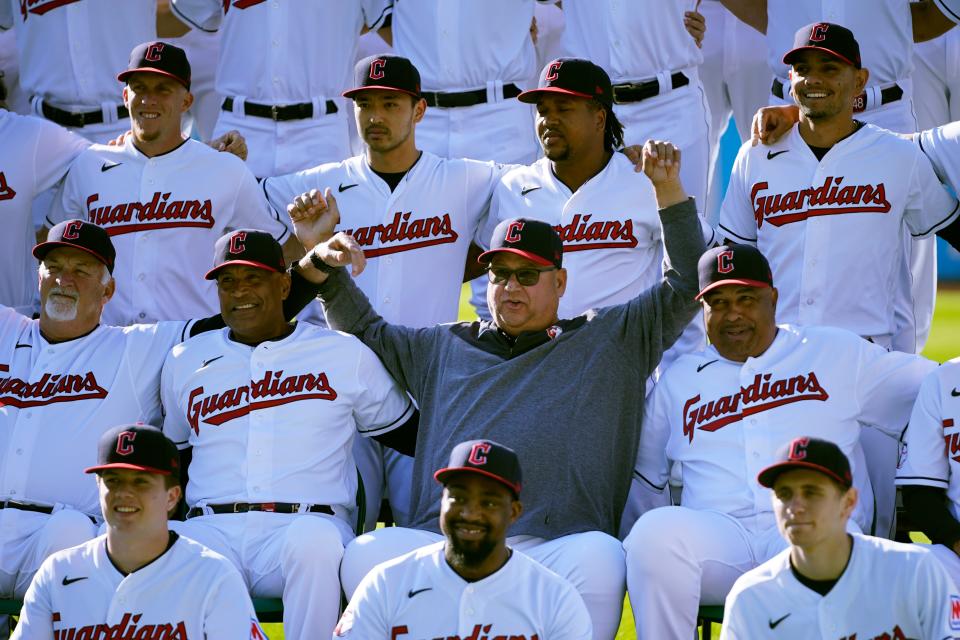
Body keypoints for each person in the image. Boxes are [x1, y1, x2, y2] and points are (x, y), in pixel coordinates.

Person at [286, 137, 706, 640]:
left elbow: (687, 284)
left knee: (600, 556)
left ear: (561, 283)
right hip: (443, 546)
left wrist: (670, 194)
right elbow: (368, 333)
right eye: (500, 274)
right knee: (365, 554)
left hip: (556, 546)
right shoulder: (444, 346)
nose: (511, 286)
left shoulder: (610, 339)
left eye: (528, 275)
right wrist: (319, 254)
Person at [0, 218, 319, 612]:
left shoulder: (138, 348)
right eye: (54, 267)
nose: (64, 279)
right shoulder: (5, 330)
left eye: (81, 270)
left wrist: (314, 266)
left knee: (72, 534)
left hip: (62, 533)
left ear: (108, 289)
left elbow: (243, 314)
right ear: (38, 278)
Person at [716, 23, 959, 539]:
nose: (814, 79)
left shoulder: (897, 157)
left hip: (865, 364)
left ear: (860, 80)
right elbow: (730, 257)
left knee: (874, 529)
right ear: (788, 78)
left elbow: (951, 226)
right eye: (802, 68)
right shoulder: (755, 156)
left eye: (830, 68)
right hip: (777, 365)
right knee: (782, 525)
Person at [623, 243, 935, 640]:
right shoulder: (680, 379)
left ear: (773, 297)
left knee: (830, 546)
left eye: (745, 298)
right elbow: (645, 481)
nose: (732, 314)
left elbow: (934, 385)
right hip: (720, 540)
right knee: (652, 535)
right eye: (717, 303)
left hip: (814, 526)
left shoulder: (832, 351)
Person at [262, 54, 504, 530]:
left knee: (429, 536)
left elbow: (543, 188)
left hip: (426, 388)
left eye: (390, 104)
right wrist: (301, 241)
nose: (375, 116)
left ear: (418, 110)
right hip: (341, 390)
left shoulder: (464, 179)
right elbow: (240, 223)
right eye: (365, 104)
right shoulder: (316, 186)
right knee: (337, 532)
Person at [160, 229, 418, 640]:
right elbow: (177, 456)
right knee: (167, 546)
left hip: (304, 526)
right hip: (211, 529)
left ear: (284, 284)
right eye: (228, 281)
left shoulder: (341, 352)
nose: (239, 292)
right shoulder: (184, 359)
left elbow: (408, 435)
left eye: (253, 279)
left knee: (313, 542)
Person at [48, 41, 292, 326]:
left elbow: (282, 249)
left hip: (196, 340)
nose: (149, 99)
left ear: (186, 101)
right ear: (125, 96)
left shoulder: (225, 169)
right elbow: (52, 246)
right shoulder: (89, 165)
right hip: (110, 341)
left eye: (162, 89)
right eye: (140, 88)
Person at [12, 424, 265, 640]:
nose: (124, 492)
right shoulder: (57, 573)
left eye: (141, 481)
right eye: (113, 480)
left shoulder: (214, 577)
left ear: (172, 496)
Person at [334, 439, 592, 640]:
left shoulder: (555, 598)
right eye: (458, 498)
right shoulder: (385, 583)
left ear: (513, 512)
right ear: (442, 501)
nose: (470, 513)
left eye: (489, 502)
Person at [720, 437, 960, 639]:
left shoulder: (915, 570)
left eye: (811, 492)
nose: (796, 506)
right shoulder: (750, 596)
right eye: (784, 494)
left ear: (849, 502)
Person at [168, 0, 391, 177]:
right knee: (232, 234)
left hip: (320, 129)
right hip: (239, 126)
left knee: (325, 231)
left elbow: (383, 22)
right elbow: (192, 16)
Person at [896, 357, 960, 586]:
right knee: (889, 571)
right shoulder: (945, 379)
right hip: (956, 558)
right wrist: (955, 540)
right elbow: (921, 492)